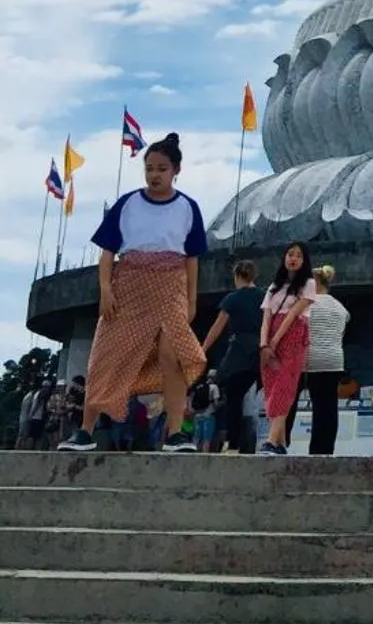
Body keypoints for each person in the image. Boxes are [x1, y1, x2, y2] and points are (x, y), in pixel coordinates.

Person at [61, 132, 207, 455]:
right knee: (104, 355)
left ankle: (174, 433)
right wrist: (105, 289)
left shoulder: (188, 207)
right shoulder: (128, 203)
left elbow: (193, 259)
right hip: (128, 286)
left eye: (162, 169)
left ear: (176, 171)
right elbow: (108, 252)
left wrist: (191, 300)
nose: (155, 175)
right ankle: (85, 431)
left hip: (170, 288)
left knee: (174, 357)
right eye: (150, 168)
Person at [258, 243, 319, 456]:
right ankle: (281, 442)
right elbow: (266, 316)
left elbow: (293, 314)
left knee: (284, 387)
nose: (293, 258)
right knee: (271, 386)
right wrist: (264, 344)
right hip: (271, 336)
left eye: (299, 256)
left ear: (305, 261)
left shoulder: (309, 283)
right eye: (290, 254)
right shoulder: (275, 286)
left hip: (292, 337)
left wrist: (274, 341)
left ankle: (271, 440)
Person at [200, 259, 264, 453]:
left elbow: (217, 327)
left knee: (233, 398)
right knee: (251, 402)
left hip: (239, 352)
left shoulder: (233, 298)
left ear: (237, 277)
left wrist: (203, 349)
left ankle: (233, 443)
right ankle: (251, 443)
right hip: (260, 351)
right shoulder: (264, 297)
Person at [305, 266, 350, 457]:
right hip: (335, 360)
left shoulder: (309, 305)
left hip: (313, 360)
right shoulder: (340, 307)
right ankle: (326, 449)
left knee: (316, 406)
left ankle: (314, 449)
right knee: (329, 406)